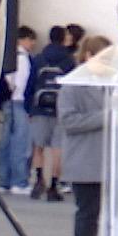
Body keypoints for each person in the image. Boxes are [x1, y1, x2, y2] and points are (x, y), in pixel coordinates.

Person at [57, 33, 114, 236]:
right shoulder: (73, 85)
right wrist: (107, 116)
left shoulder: (113, 83)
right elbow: (68, 121)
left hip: (111, 161)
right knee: (88, 214)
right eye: (104, 59)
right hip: (85, 161)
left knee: (115, 216)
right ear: (88, 56)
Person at [27, 25, 75, 201]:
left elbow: (30, 84)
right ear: (63, 39)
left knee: (38, 147)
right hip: (60, 110)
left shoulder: (39, 58)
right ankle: (54, 186)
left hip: (40, 109)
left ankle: (39, 179)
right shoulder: (69, 60)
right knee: (57, 149)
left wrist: (29, 107)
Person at [0, 26, 36, 193]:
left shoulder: (6, 57)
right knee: (20, 144)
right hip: (19, 103)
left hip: (6, 103)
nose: (33, 43)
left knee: (4, 144)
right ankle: (19, 181)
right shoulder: (23, 58)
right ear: (23, 39)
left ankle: (3, 181)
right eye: (31, 39)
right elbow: (22, 84)